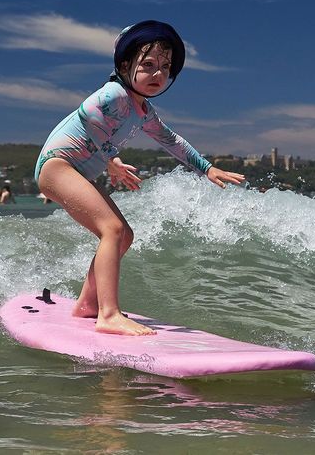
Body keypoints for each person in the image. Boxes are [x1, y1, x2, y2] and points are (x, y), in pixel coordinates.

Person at [35, 20, 244, 336]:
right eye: (148, 65)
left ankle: (87, 305)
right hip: (58, 166)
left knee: (124, 235)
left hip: (75, 172)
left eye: (165, 67)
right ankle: (108, 314)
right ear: (124, 64)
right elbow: (88, 112)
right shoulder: (114, 94)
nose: (158, 74)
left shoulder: (143, 112)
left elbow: (171, 140)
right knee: (112, 228)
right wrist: (111, 158)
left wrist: (206, 168)